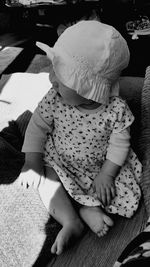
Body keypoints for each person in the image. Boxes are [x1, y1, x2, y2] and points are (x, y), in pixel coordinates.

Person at [18, 20, 142, 255]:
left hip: (99, 168)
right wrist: (31, 161)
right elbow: (36, 127)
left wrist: (107, 173)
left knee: (111, 191)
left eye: (61, 74)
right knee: (47, 179)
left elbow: (120, 142)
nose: (51, 77)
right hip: (60, 161)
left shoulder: (115, 109)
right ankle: (70, 219)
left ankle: (88, 208)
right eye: (53, 68)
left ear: (86, 88)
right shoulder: (54, 98)